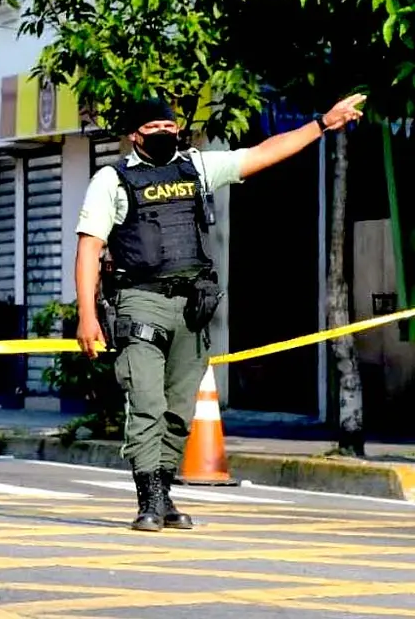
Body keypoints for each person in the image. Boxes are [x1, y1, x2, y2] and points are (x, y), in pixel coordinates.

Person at [74, 93, 366, 532]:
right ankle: (148, 499)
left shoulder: (196, 168)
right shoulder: (112, 180)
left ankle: (164, 493)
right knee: (148, 404)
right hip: (140, 302)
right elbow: (89, 247)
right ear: (135, 135)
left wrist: (322, 124)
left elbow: (264, 153)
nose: (164, 134)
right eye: (154, 129)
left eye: (170, 127)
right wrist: (87, 314)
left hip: (192, 306)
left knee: (179, 410)